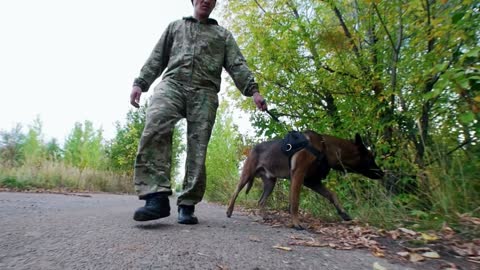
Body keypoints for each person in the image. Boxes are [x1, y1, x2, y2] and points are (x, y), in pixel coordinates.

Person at [130, 0, 267, 225]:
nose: (206, 0)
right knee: (155, 124)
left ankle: (187, 204)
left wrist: (254, 91)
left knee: (198, 146)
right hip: (172, 84)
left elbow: (237, 65)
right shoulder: (175, 27)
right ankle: (156, 197)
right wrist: (140, 83)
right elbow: (157, 57)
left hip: (205, 91)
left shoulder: (222, 35)